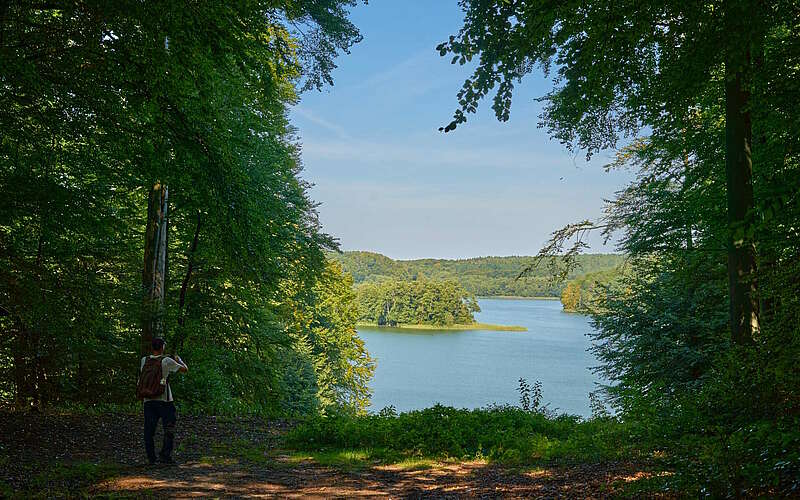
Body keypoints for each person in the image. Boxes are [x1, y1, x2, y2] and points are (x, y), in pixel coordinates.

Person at [140, 337, 188, 465]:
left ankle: (151, 458)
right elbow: (185, 370)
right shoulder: (167, 361)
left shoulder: (144, 360)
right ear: (162, 347)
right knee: (169, 428)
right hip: (165, 400)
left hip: (148, 400)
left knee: (149, 430)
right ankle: (165, 456)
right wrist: (179, 360)